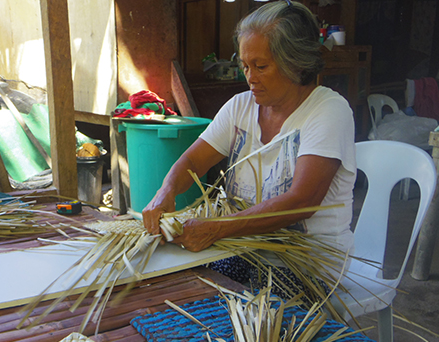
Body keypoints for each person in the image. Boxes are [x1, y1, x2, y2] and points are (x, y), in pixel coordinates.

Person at [142, 0, 356, 289]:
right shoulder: (239, 107)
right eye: (244, 65)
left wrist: (216, 229)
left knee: (239, 319)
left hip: (307, 266)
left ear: (295, 62)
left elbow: (301, 202)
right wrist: (165, 191)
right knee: (175, 289)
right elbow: (192, 163)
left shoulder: (329, 110)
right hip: (241, 250)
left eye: (261, 66)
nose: (250, 78)